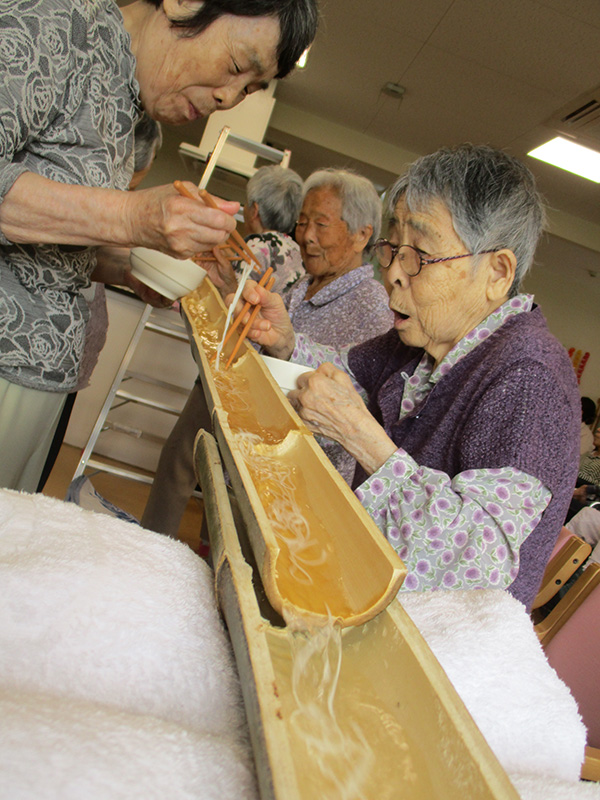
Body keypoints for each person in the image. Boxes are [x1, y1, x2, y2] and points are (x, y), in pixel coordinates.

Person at [231, 144, 580, 611]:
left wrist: (365, 440)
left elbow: (481, 559)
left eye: (420, 256)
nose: (393, 272)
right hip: (363, 584)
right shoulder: (419, 340)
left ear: (496, 273)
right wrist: (286, 342)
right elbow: (344, 377)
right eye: (393, 249)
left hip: (437, 636)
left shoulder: (527, 377)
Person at [0, 0, 318, 492]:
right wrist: (133, 216)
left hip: (40, 376)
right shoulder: (57, 24)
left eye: (250, 89)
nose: (228, 97)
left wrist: (138, 267)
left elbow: (59, 250)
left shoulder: (135, 112)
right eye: (236, 66)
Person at [141, 166, 393, 536]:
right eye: (303, 221)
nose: (306, 235)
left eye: (321, 225)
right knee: (216, 535)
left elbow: (358, 401)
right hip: (249, 452)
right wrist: (228, 283)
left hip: (293, 480)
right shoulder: (302, 286)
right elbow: (252, 345)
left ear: (361, 235)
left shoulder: (373, 307)